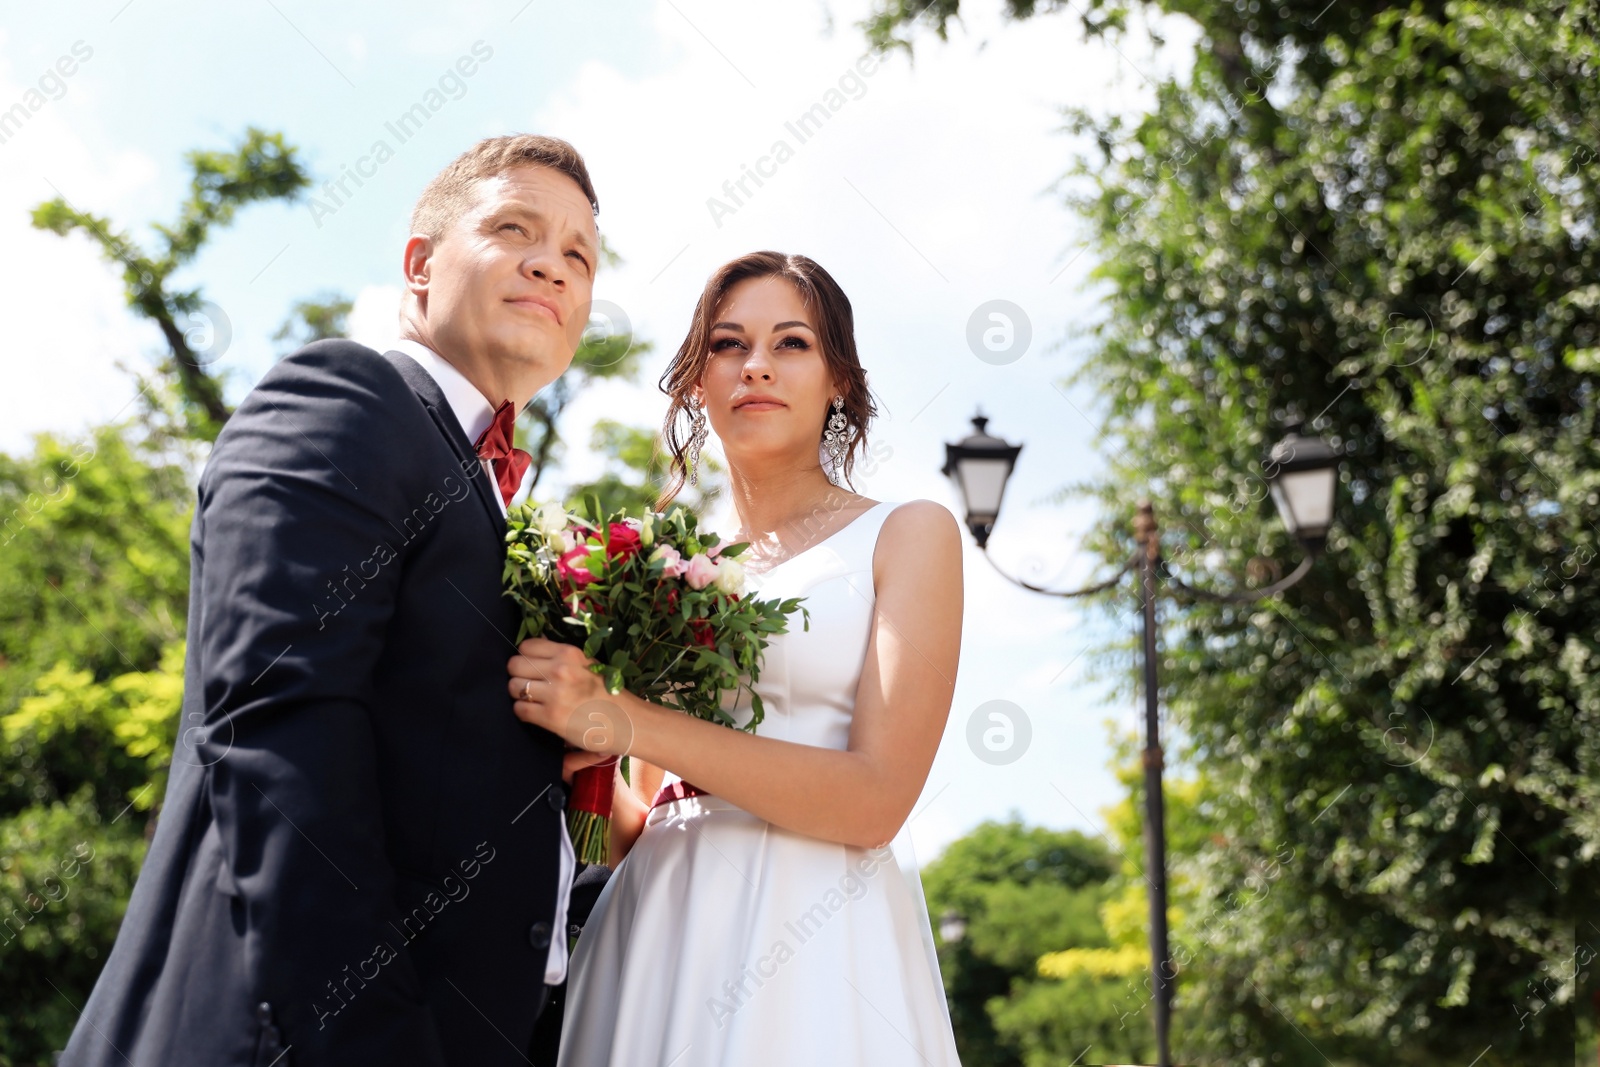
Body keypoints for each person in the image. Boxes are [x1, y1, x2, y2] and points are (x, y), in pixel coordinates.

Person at [60, 134, 611, 1066]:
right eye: (514, 227)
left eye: (578, 255)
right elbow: (278, 732)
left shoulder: (489, 496)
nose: (548, 263)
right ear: (421, 265)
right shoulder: (348, 400)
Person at [508, 250, 966, 1065]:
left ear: (841, 383)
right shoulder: (662, 569)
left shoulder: (908, 533)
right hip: (654, 933)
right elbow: (628, 824)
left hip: (820, 934)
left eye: (792, 343)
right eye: (727, 344)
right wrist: (575, 743)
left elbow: (876, 802)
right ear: (694, 381)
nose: (756, 365)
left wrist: (626, 719)